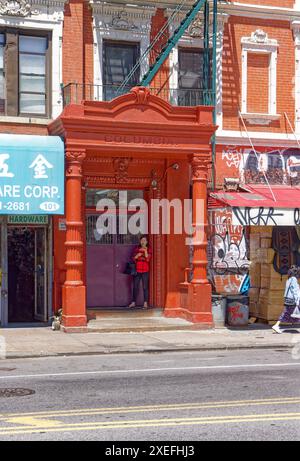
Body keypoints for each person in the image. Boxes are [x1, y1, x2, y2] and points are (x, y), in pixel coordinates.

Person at [272, 265, 300, 334]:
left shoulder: (289, 279)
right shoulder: (294, 279)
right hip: (292, 300)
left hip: (288, 299)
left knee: (286, 313)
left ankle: (276, 325)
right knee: (286, 313)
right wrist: (297, 301)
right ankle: (276, 325)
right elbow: (295, 291)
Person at [129, 236, 151, 309]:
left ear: (147, 242)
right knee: (135, 286)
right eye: (142, 240)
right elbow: (133, 258)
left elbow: (148, 259)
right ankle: (133, 302)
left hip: (145, 270)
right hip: (137, 270)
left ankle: (145, 303)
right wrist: (137, 256)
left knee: (145, 287)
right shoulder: (137, 248)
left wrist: (145, 251)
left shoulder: (149, 249)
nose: (143, 242)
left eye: (144, 240)